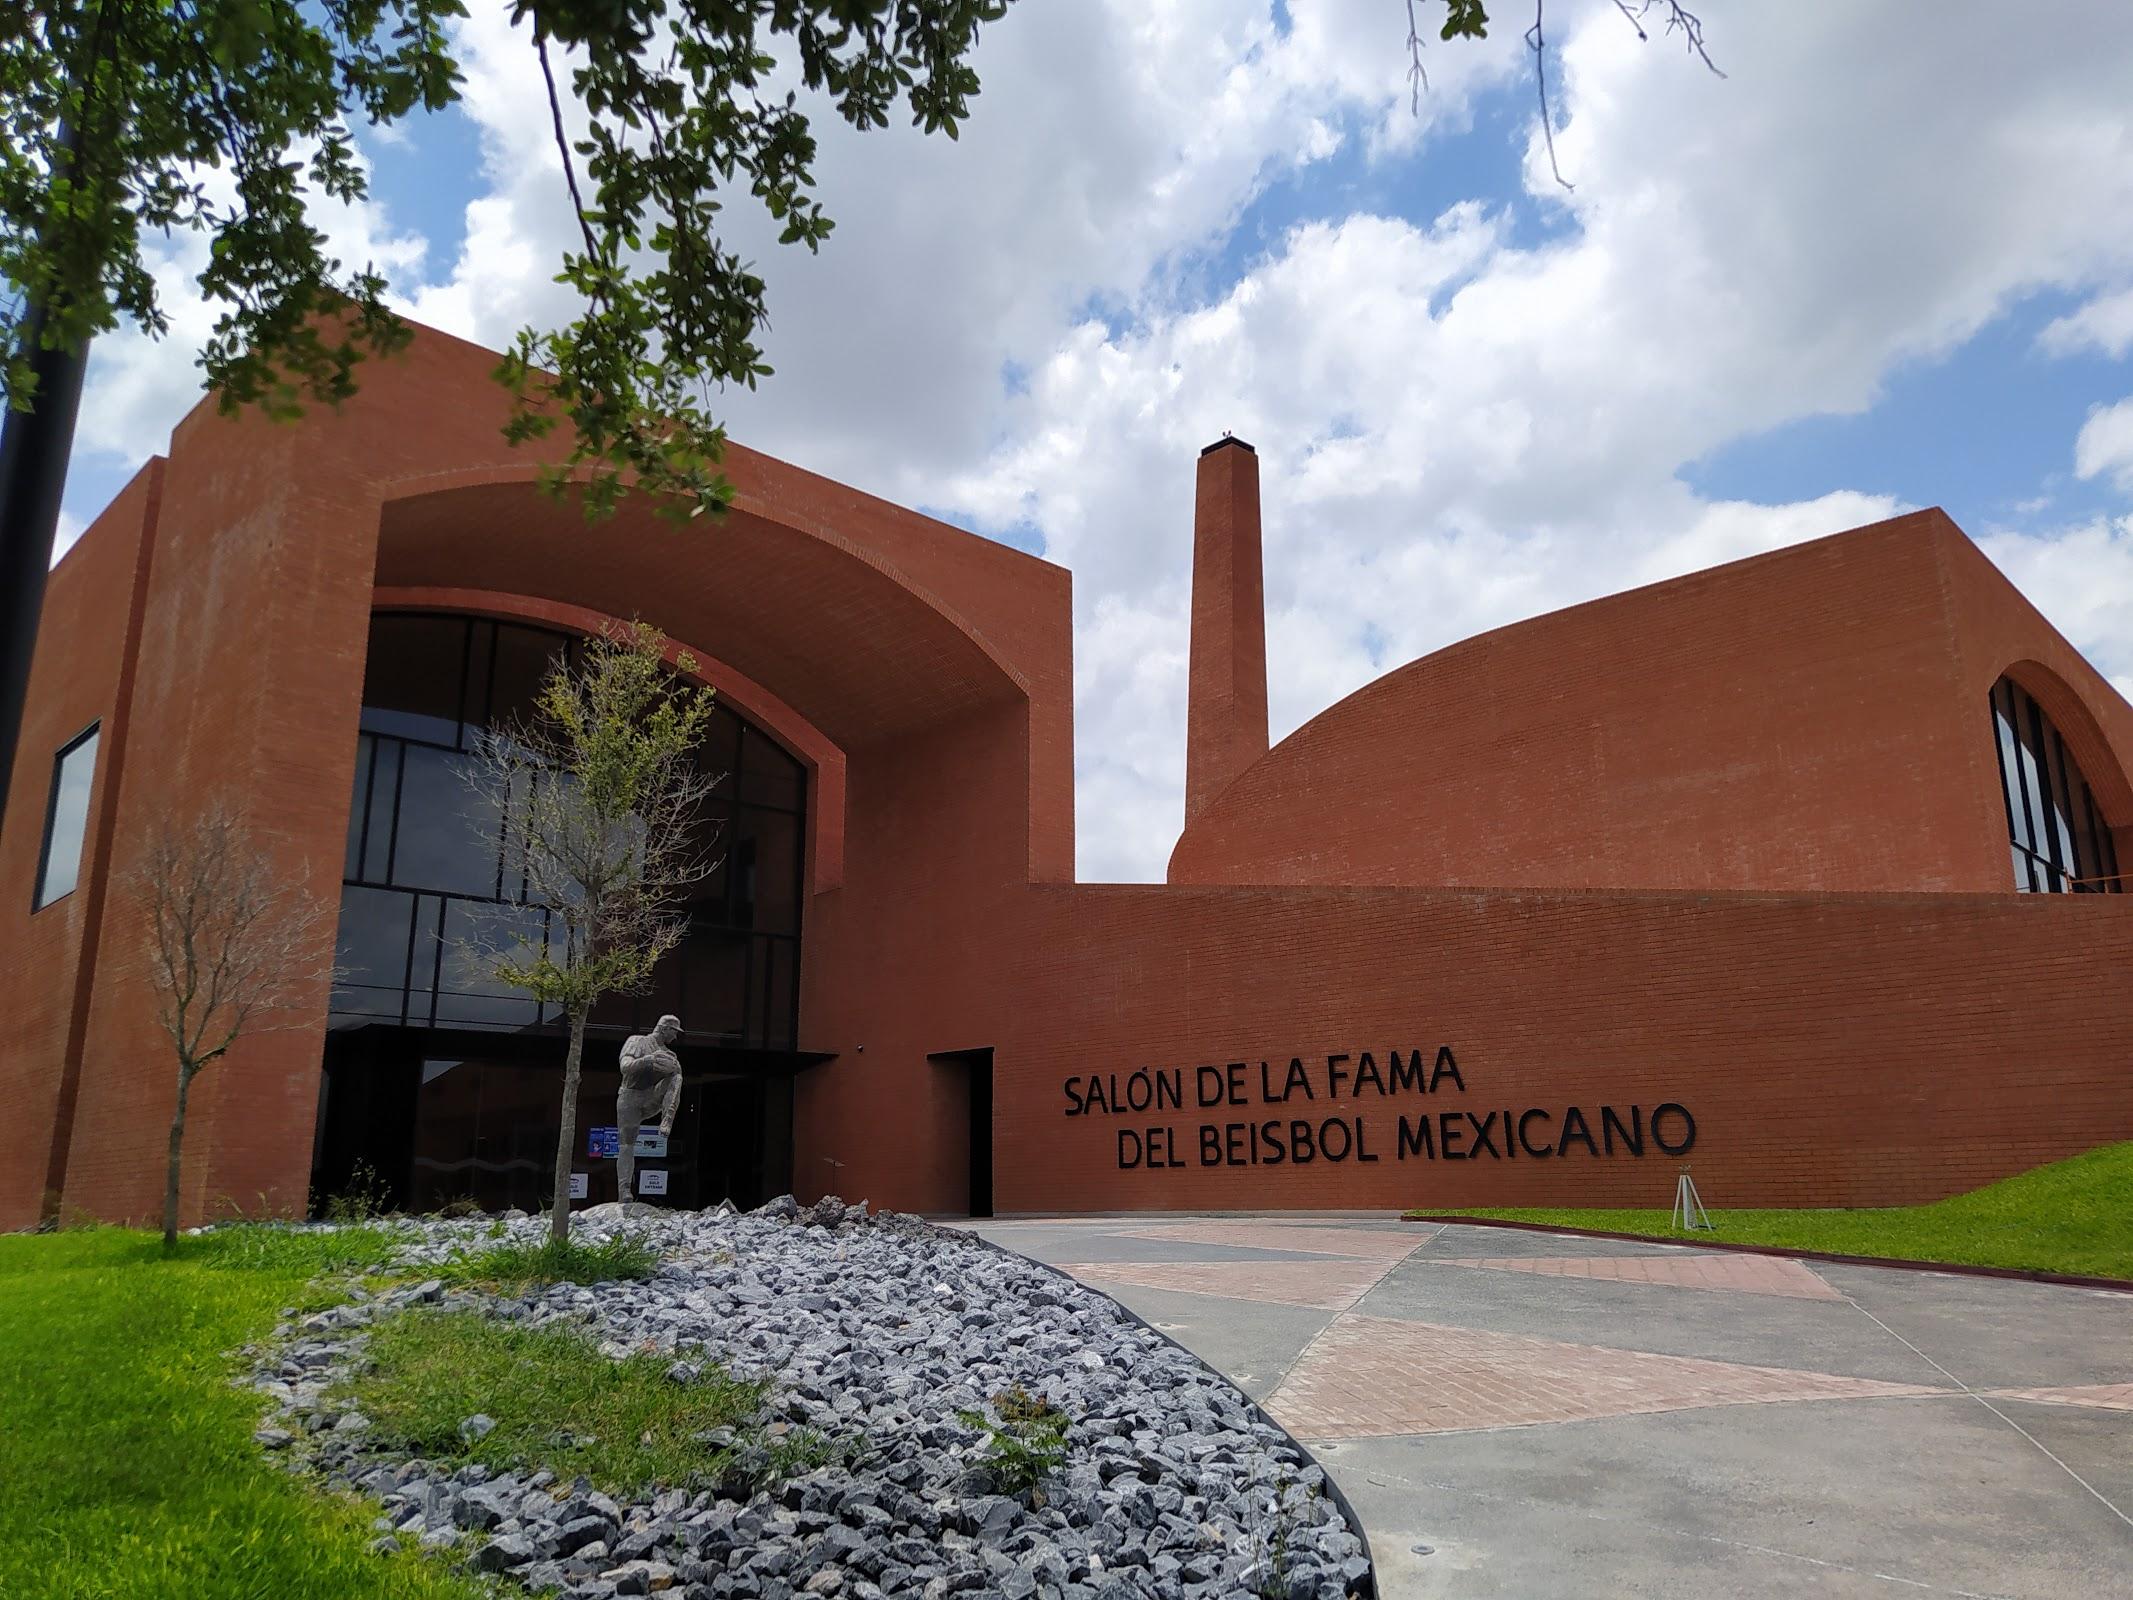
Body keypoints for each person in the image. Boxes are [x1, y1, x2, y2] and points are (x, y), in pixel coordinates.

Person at [616, 1013, 682, 1200]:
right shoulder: (637, 1041)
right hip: (630, 1097)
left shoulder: (669, 1054)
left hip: (651, 1097)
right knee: (627, 1143)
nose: (675, 1037)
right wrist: (648, 1060)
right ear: (664, 1028)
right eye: (674, 1032)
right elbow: (625, 1067)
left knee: (676, 1076)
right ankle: (624, 1190)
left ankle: (666, 1120)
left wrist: (672, 1066)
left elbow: (674, 1077)